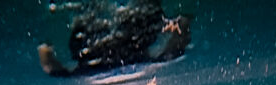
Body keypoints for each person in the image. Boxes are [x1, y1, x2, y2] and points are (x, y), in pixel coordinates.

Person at [38, 1, 192, 76]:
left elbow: (174, 51)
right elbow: (49, 66)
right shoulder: (82, 79)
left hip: (130, 43)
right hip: (97, 49)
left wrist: (183, 24)